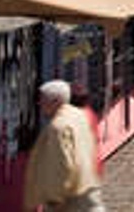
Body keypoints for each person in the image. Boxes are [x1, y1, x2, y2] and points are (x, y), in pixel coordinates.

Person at [23, 79, 105, 212]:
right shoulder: (79, 116)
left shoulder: (59, 126)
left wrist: (53, 197)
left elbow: (61, 163)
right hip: (88, 187)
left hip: (70, 200)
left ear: (55, 101)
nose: (39, 104)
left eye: (43, 100)